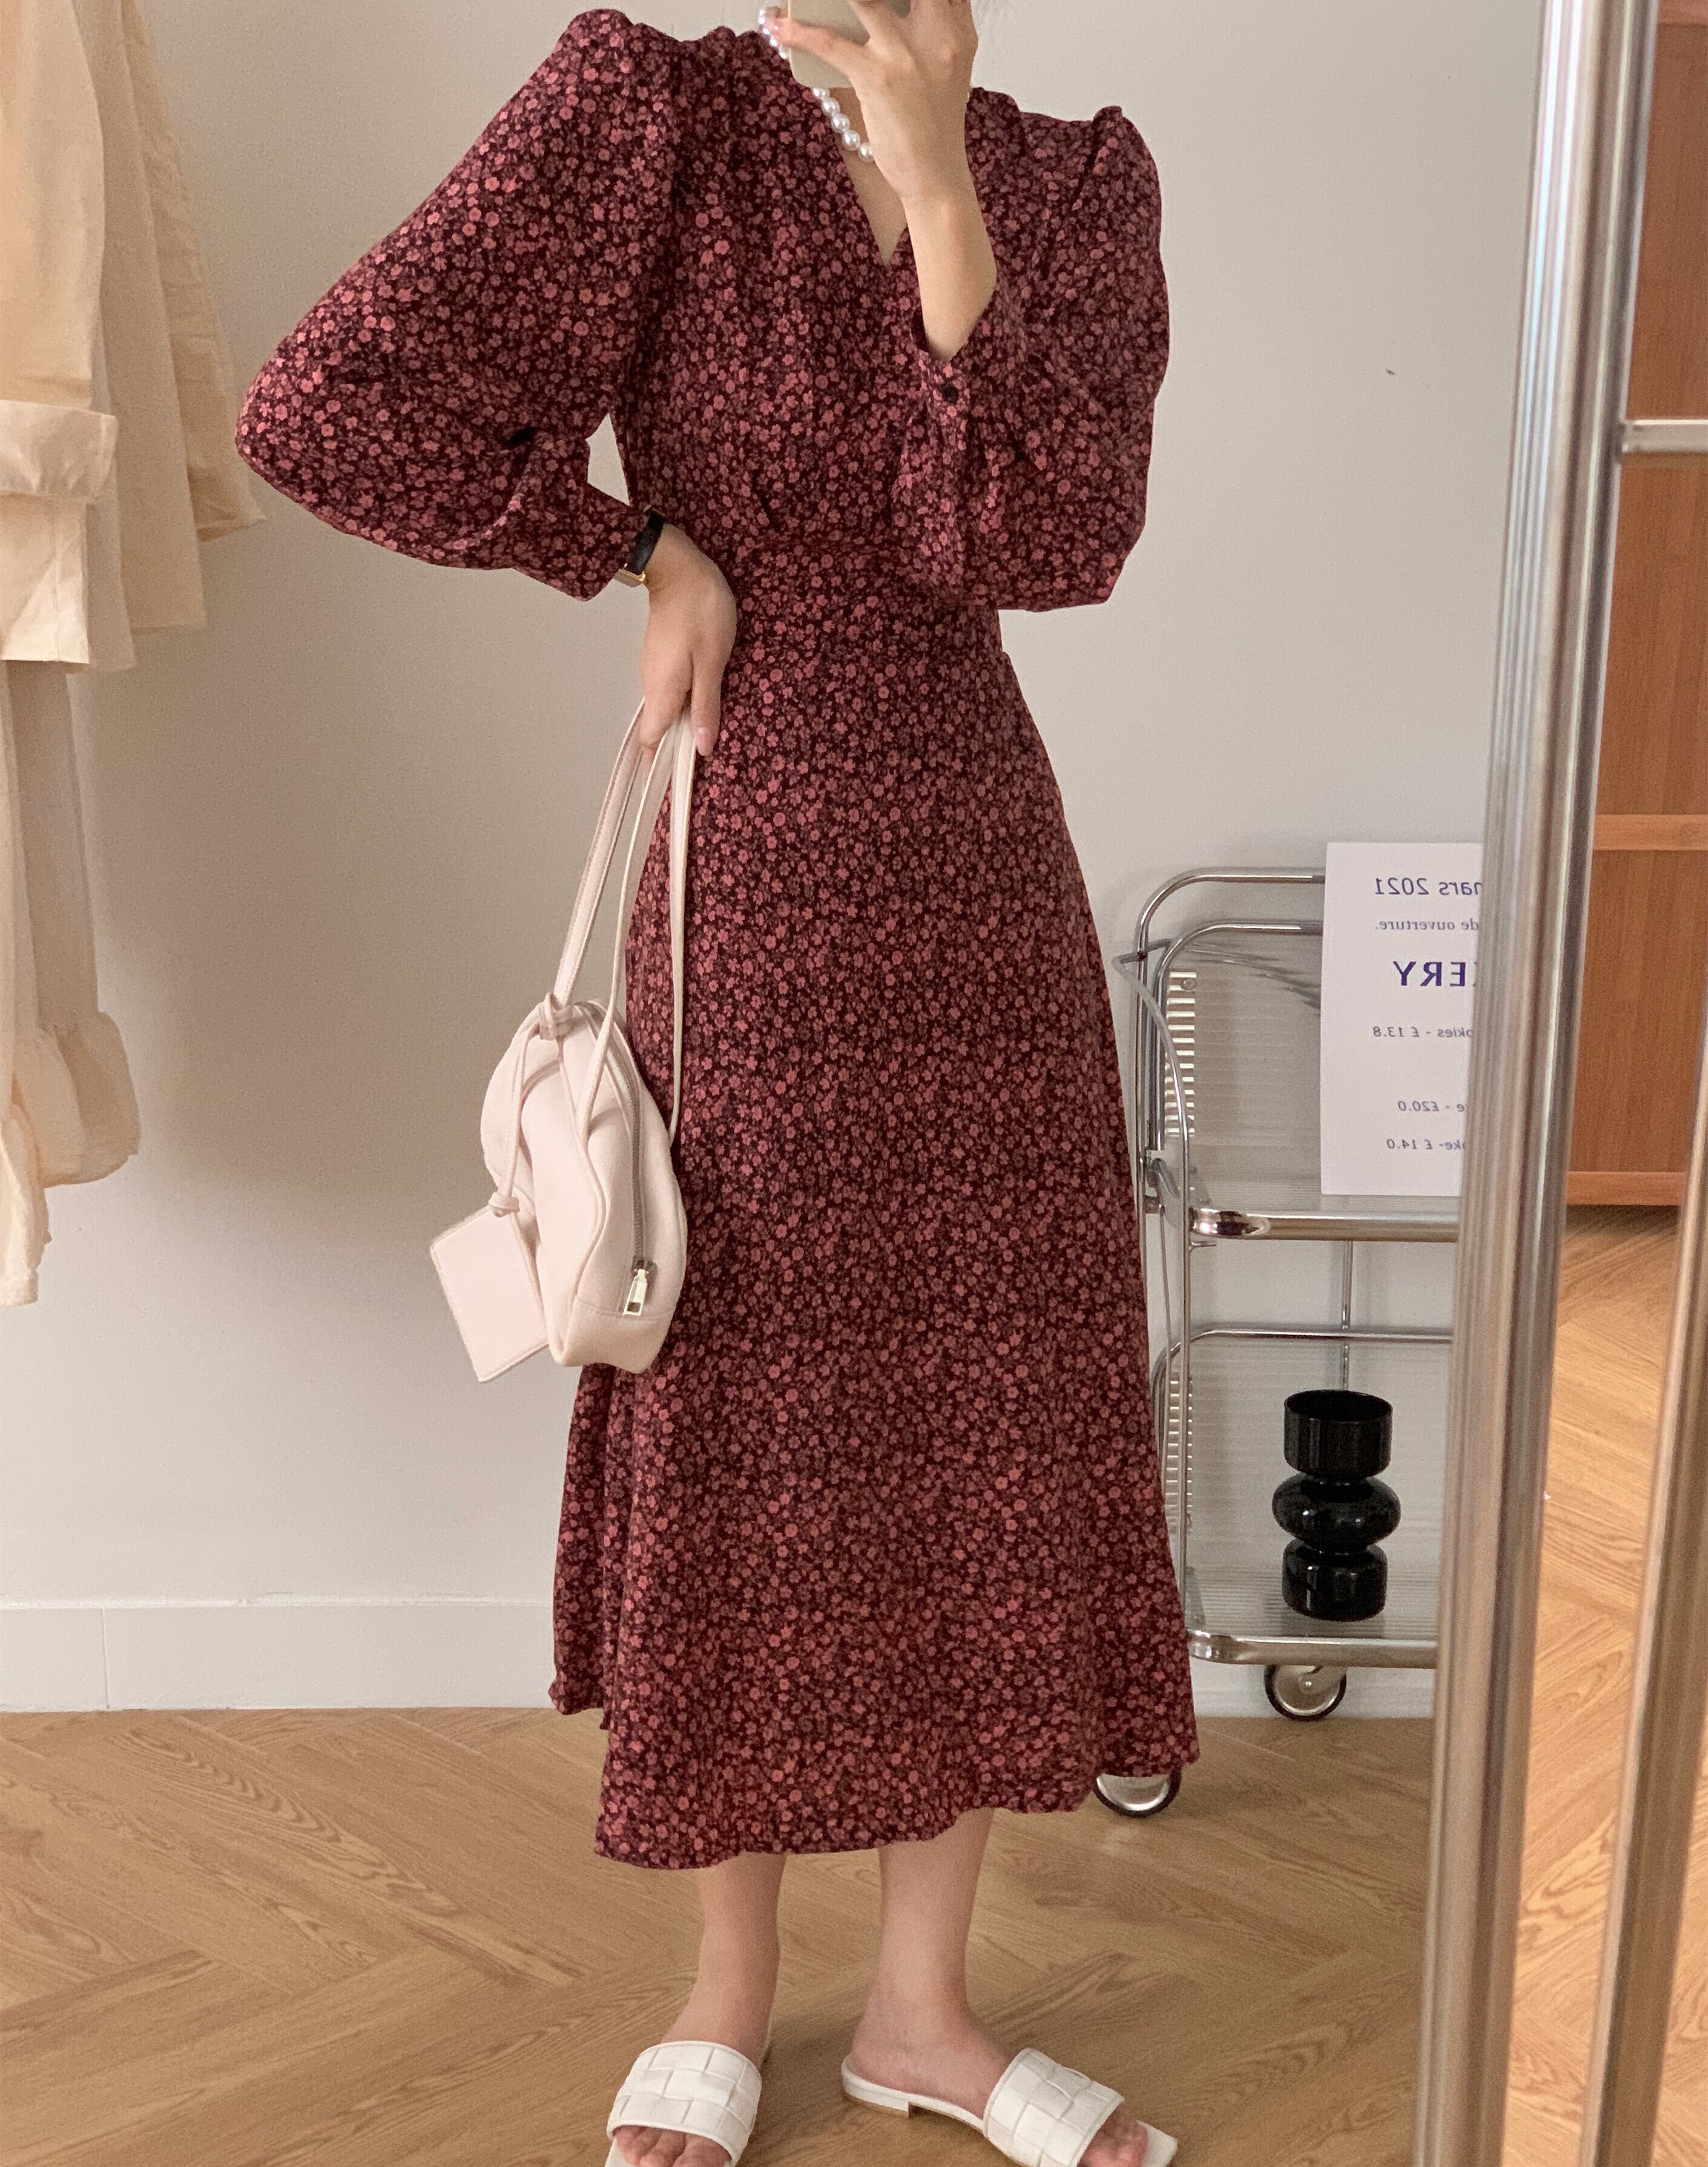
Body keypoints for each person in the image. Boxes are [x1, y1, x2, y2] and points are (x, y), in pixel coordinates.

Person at [235, 3, 1197, 2162]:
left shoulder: (1076, 181)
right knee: (746, 1411)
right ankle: (729, 1986)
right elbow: (322, 401)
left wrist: (936, 176)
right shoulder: (652, 116)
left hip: (977, 881)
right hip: (747, 871)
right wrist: (637, 546)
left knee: (970, 1409)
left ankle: (926, 2009)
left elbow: (1046, 540)